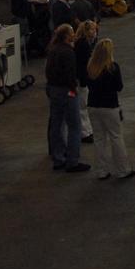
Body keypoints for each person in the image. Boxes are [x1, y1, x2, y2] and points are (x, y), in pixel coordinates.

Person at [84, 38, 134, 180]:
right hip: (110, 106)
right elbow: (119, 87)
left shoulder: (91, 66)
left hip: (93, 106)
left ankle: (101, 170)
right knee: (116, 137)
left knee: (99, 139)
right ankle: (122, 170)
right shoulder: (112, 67)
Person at [45, 24, 89, 173]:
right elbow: (70, 74)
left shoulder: (52, 49)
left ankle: (58, 158)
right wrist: (73, 89)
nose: (74, 34)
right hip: (66, 91)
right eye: (71, 32)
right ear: (66, 36)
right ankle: (73, 161)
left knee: (56, 124)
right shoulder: (68, 52)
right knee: (75, 126)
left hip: (53, 89)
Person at [73, 19, 99, 143]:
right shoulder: (83, 45)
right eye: (93, 29)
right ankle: (85, 133)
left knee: (83, 106)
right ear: (87, 31)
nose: (95, 32)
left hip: (82, 79)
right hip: (81, 80)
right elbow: (82, 65)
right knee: (82, 106)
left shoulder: (86, 43)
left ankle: (87, 130)